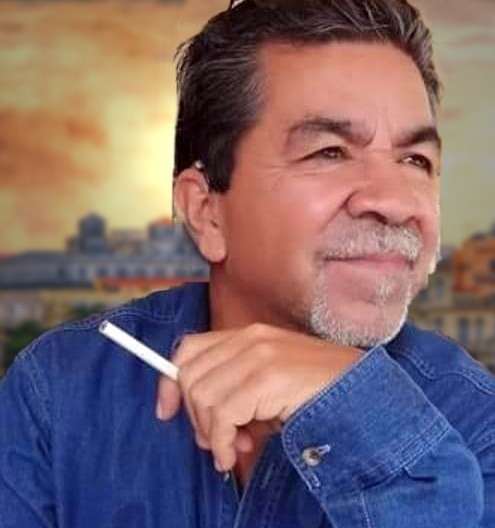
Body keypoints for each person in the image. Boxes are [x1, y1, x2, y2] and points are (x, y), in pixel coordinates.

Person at [1, 0, 494, 526]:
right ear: (206, 212)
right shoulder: (60, 392)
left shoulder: (477, 430)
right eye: (328, 152)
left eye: (415, 160)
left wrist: (357, 410)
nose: (394, 202)